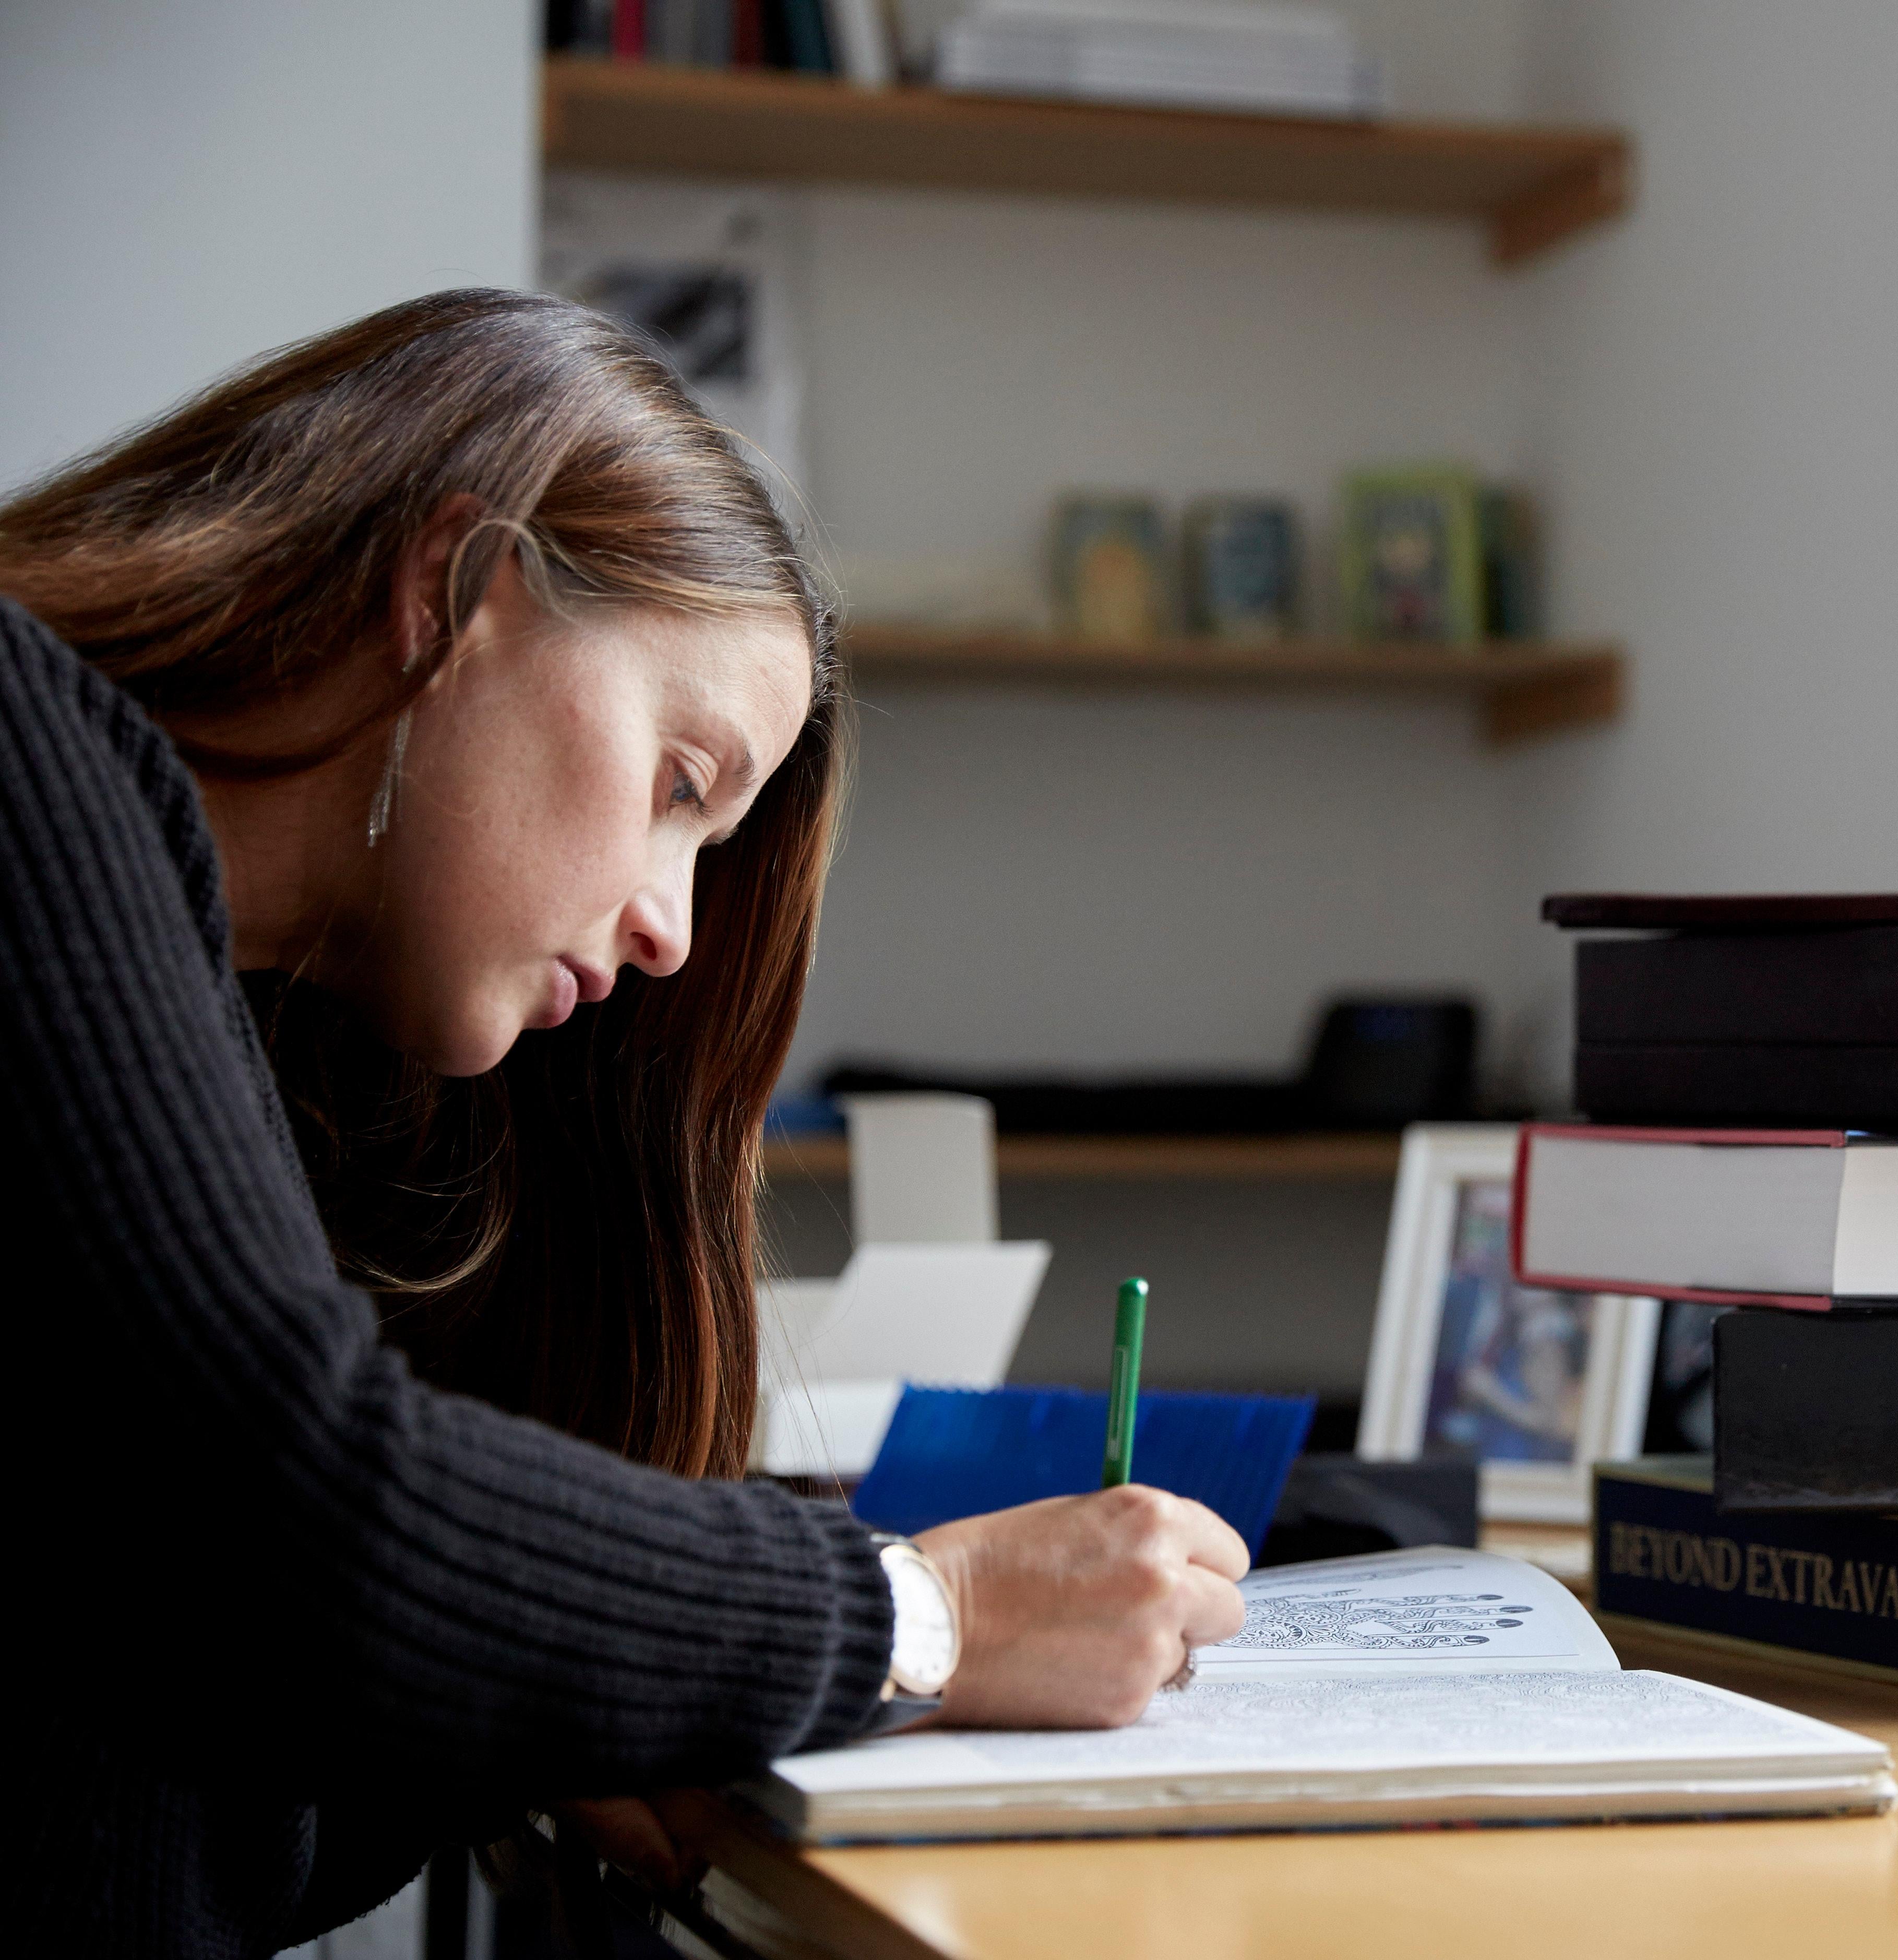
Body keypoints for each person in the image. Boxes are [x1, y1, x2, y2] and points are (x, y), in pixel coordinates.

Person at [0, 289, 1249, 1958]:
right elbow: (287, 1515)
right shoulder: (19, 749)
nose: (670, 925)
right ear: (453, 589)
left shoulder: (247, 1031)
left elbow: (192, 1819)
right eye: (681, 783)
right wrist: (931, 1612)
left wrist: (562, 1707)